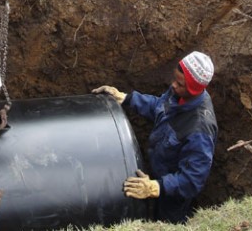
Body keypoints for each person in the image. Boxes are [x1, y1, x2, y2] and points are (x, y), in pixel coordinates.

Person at [92, 51, 217, 223]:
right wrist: (127, 98)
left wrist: (156, 187)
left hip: (173, 195)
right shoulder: (179, 93)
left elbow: (193, 180)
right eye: (175, 78)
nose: (173, 85)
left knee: (166, 223)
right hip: (159, 171)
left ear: (193, 89)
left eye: (179, 83)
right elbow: (159, 106)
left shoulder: (199, 128)